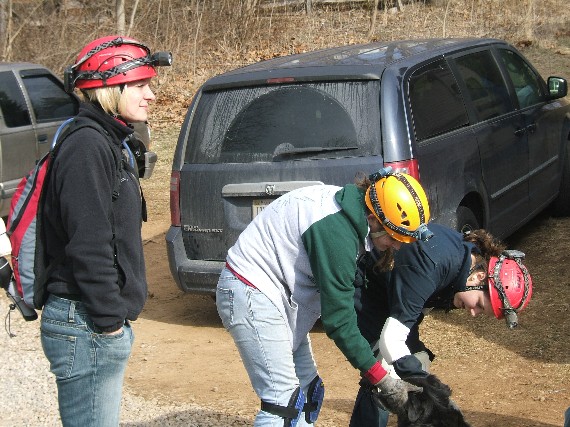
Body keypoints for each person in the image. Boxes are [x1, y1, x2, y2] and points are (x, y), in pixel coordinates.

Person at [216, 167, 433, 426]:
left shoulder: (353, 216)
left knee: (309, 394)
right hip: (251, 289)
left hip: (278, 294)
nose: (396, 246)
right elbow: (339, 320)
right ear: (374, 218)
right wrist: (381, 378)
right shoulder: (336, 232)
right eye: (393, 237)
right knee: (282, 404)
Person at [39, 36, 171, 427]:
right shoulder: (86, 146)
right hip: (85, 323)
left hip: (90, 321)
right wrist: (110, 322)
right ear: (111, 88)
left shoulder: (107, 140)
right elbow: (88, 243)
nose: (150, 95)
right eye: (140, 85)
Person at [349, 222, 533, 426]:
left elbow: (419, 307)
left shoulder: (465, 274)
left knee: (418, 360)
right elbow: (391, 339)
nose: (473, 313)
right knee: (384, 371)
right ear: (480, 277)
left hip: (395, 292)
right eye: (480, 305)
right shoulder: (434, 263)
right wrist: (428, 387)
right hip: (367, 284)